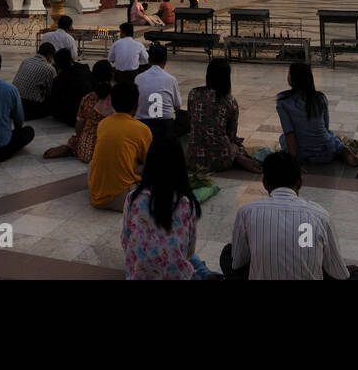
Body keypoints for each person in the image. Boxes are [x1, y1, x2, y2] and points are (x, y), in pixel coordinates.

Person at [220, 151, 358, 280]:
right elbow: (339, 273)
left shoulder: (246, 212)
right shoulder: (320, 215)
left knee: (228, 253)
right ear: (299, 182)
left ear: (265, 183)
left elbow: (238, 263)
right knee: (354, 273)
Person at [121, 136, 216, 279]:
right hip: (176, 275)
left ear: (149, 164)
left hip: (138, 276)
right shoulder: (187, 204)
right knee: (193, 260)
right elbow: (189, 251)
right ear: (180, 167)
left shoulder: (133, 198)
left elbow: (126, 240)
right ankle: (206, 274)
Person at [275, 63, 358, 166]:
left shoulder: (283, 101)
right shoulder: (320, 98)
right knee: (331, 136)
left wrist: (294, 163)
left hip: (302, 154)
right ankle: (342, 149)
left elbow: (289, 134)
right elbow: (325, 127)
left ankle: (339, 148)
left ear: (292, 78)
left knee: (283, 138)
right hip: (326, 152)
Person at [187, 58, 260, 173]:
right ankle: (239, 158)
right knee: (236, 146)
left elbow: (191, 120)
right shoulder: (230, 101)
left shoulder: (193, 94)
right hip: (221, 159)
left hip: (193, 158)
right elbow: (231, 135)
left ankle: (238, 157)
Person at [89, 81, 151, 210]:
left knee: (93, 164)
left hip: (96, 196)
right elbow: (149, 163)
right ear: (137, 104)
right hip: (123, 199)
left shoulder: (103, 124)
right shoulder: (142, 129)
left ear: (112, 103)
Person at [44, 61, 115, 160]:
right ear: (112, 76)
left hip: (86, 150)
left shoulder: (87, 98)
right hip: (111, 150)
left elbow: (78, 128)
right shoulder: (118, 98)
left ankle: (71, 147)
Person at [135, 43, 188, 139]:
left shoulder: (138, 78)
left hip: (142, 124)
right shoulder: (171, 79)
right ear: (165, 61)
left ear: (149, 60)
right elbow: (177, 105)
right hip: (164, 125)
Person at [48, 47, 94, 125]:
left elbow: (55, 101)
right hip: (90, 113)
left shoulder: (60, 79)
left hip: (72, 118)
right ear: (71, 59)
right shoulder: (84, 68)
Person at [12, 42, 57, 119]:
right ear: (50, 56)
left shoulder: (26, 61)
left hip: (14, 104)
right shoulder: (49, 68)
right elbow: (51, 91)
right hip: (28, 109)